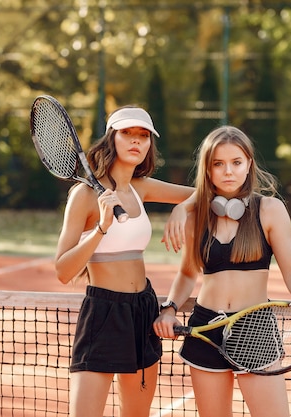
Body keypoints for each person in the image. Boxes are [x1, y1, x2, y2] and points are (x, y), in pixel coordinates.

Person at [153, 125, 291, 417]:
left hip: (254, 328)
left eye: (236, 162)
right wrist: (169, 308)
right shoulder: (196, 216)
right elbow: (187, 273)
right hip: (206, 329)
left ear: (249, 163)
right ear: (208, 170)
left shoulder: (270, 210)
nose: (228, 171)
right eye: (218, 164)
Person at [55, 105, 194, 417]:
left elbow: (204, 195)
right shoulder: (84, 195)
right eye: (127, 133)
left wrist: (182, 208)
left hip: (143, 310)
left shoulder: (141, 188)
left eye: (143, 135)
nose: (136, 141)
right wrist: (102, 227)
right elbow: (63, 271)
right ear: (111, 140)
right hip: (103, 311)